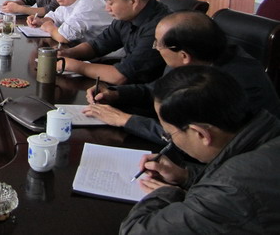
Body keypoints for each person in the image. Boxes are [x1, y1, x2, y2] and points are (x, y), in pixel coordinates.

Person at [120, 66, 280, 234]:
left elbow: (135, 231)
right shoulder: (269, 133)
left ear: (201, 134)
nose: (171, 141)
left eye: (169, 135)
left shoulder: (232, 190)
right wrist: (185, 176)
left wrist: (167, 193)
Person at [84, 10, 280, 143]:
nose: (155, 48)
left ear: (184, 55)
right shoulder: (197, 56)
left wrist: (124, 120)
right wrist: (116, 93)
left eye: (158, 44)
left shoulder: (232, 84)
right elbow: (156, 90)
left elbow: (187, 137)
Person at [58, 0, 170, 84]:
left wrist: (73, 66)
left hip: (149, 89)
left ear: (133, 1)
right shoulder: (126, 16)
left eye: (110, 3)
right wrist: (68, 53)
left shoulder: (159, 28)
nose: (107, 8)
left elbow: (121, 76)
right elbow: (97, 45)